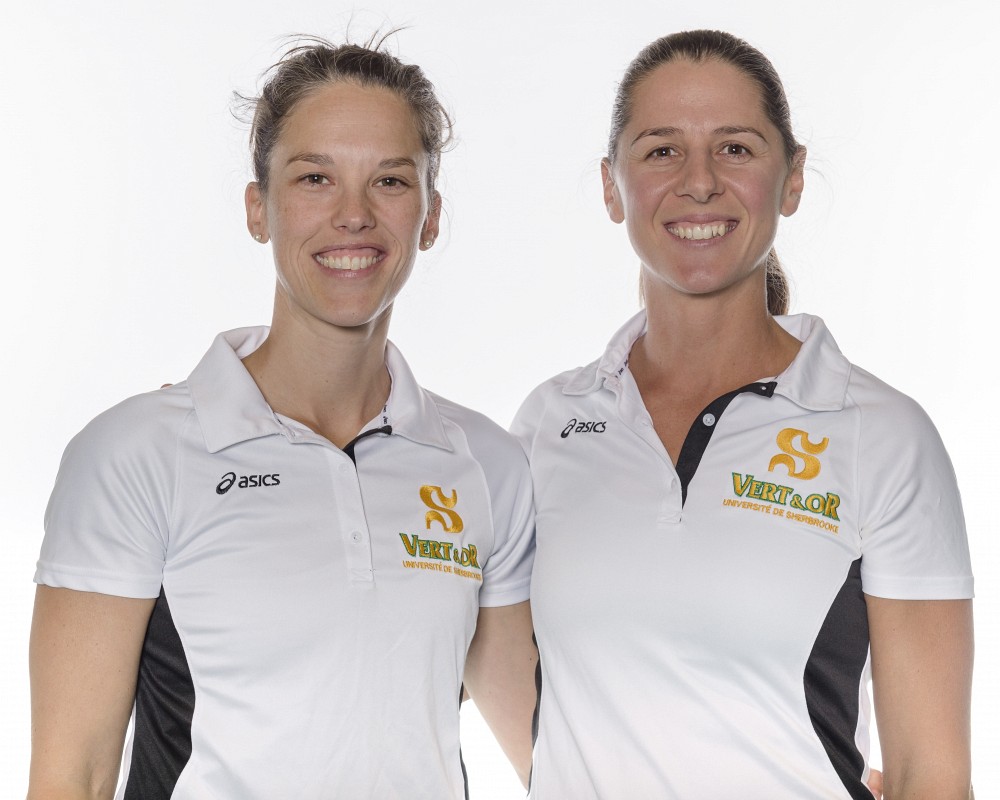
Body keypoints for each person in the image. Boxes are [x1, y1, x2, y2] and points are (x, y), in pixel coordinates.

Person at [28, 36, 537, 799]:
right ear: (258, 209)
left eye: (391, 180)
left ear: (429, 216)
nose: (354, 216)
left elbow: (556, 756)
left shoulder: (485, 465)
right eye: (314, 178)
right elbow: (75, 774)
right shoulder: (136, 454)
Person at [511, 29, 974, 799]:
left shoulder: (882, 436)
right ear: (610, 185)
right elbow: (517, 693)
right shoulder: (547, 424)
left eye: (736, 148)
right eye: (661, 150)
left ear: (791, 180)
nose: (699, 182)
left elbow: (932, 774)